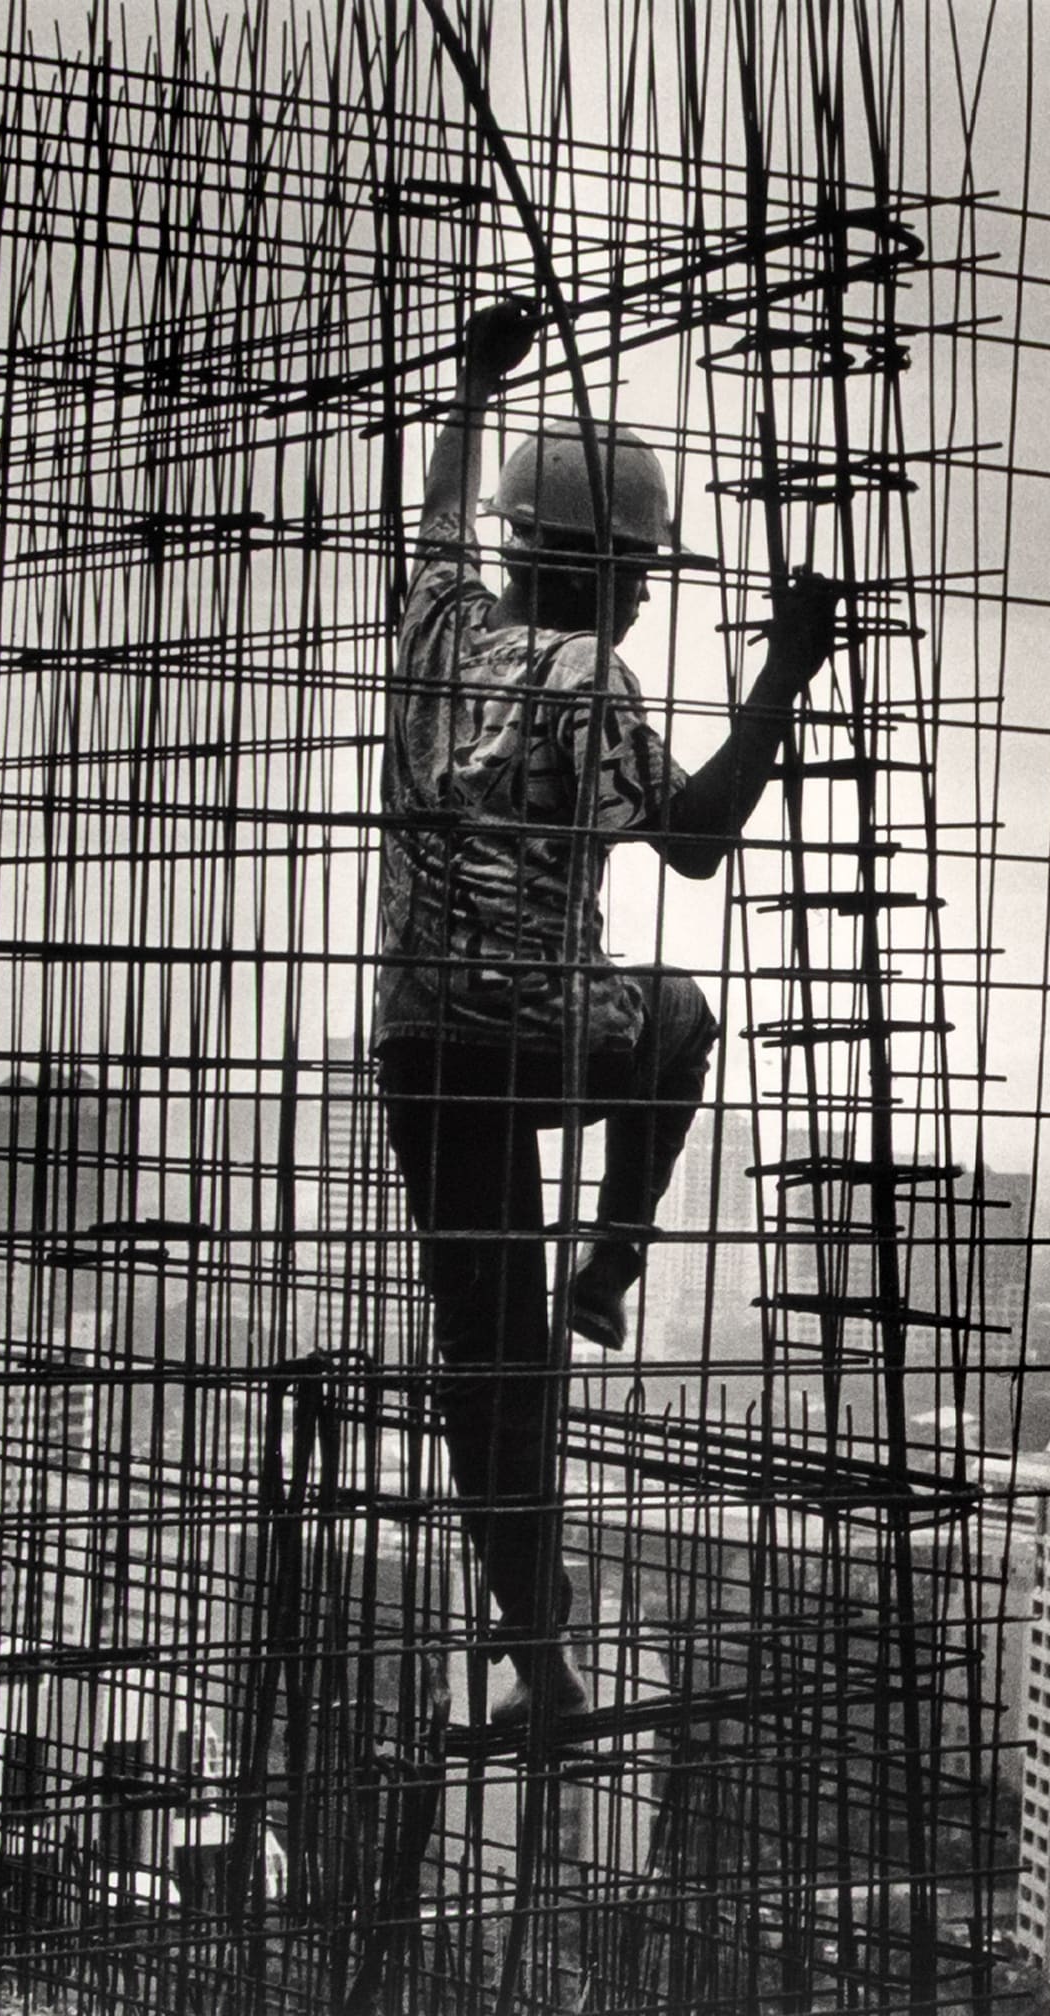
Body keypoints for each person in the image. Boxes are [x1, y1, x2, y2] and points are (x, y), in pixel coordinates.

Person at [377, 303, 836, 1731]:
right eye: (640, 574)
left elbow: (444, 509)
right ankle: (615, 1260)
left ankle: (536, 1648)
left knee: (488, 1359)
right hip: (544, 1037)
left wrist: (469, 387)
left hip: (420, 1047)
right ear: (616, 574)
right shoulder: (593, 681)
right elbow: (696, 837)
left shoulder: (439, 625)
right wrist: (783, 674)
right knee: (685, 1016)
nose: (643, 600)